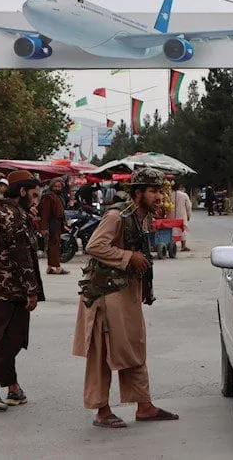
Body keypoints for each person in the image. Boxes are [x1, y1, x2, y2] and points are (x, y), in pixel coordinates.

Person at [72, 168, 179, 429]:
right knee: (103, 351)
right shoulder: (116, 215)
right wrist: (128, 257)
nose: (157, 197)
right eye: (152, 191)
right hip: (105, 294)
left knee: (135, 345)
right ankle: (102, 409)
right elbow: (95, 246)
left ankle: (144, 405)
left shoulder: (142, 217)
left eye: (159, 191)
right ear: (137, 192)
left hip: (126, 292)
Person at [0, 170, 45, 411]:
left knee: (4, 337)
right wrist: (31, 290)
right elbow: (21, 255)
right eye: (33, 194)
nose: (35, 200)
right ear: (22, 192)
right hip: (10, 289)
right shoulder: (14, 216)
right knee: (13, 339)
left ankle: (12, 387)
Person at [40, 177, 68, 275]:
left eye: (59, 186)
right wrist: (44, 227)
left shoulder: (58, 196)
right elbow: (45, 213)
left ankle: (50, 267)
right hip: (52, 223)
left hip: (56, 223)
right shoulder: (48, 196)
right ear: (52, 187)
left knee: (53, 245)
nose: (57, 188)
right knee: (54, 245)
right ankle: (58, 267)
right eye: (55, 186)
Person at [170, 183, 192, 252]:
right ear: (180, 187)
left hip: (171, 215)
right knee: (182, 229)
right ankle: (183, 245)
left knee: (172, 229)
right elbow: (188, 206)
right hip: (182, 215)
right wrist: (189, 215)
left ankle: (171, 244)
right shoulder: (184, 195)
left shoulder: (169, 195)